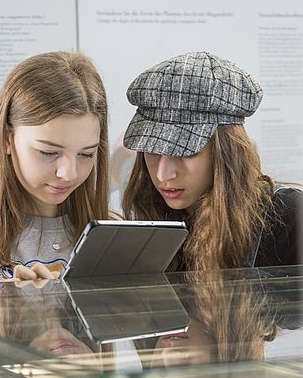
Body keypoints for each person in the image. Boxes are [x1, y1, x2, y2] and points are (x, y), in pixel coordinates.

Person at [122, 51, 303, 271]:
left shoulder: (289, 218)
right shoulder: (150, 217)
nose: (162, 175)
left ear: (227, 151)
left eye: (184, 152)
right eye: (152, 150)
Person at [0, 51, 110, 284]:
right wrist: (11, 310)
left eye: (86, 154)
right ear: (7, 138)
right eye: (49, 152)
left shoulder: (111, 233)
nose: (69, 173)